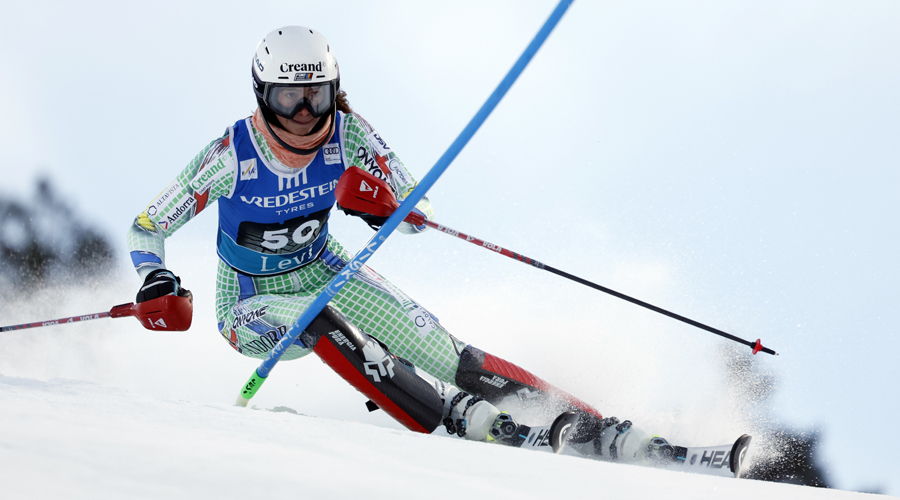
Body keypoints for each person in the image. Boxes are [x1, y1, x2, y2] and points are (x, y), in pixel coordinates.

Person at [127, 26, 664, 462]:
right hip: (249, 301)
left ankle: (596, 428)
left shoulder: (349, 135)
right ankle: (450, 413)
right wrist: (155, 276)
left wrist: (383, 206)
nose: (304, 115)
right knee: (318, 317)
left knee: (441, 349)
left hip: (324, 268)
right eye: (288, 99)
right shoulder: (232, 154)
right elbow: (149, 224)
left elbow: (415, 208)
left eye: (315, 96)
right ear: (263, 95)